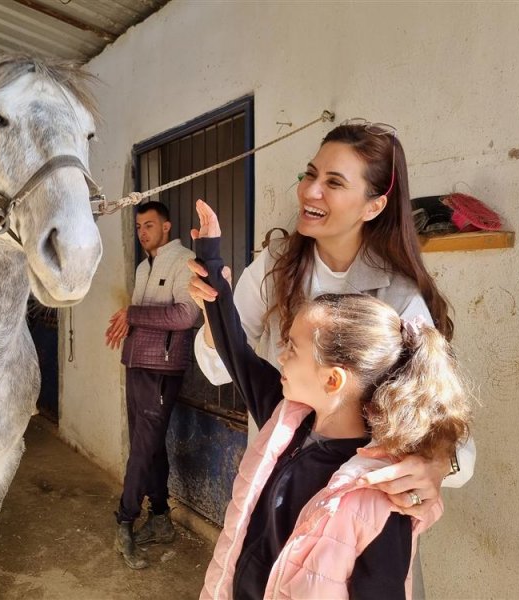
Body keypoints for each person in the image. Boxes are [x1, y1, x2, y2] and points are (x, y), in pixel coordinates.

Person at [188, 122, 475, 518]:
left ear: (373, 205)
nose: (310, 190)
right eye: (310, 174)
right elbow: (219, 369)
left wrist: (436, 465)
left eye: (334, 182)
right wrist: (211, 314)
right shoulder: (274, 268)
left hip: (356, 508)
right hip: (277, 485)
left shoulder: (400, 298)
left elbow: (446, 428)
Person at [192, 203, 472, 598]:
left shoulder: (379, 495)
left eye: (291, 348)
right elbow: (236, 350)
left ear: (332, 379)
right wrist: (212, 264)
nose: (281, 356)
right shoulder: (285, 419)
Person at [105, 200, 200, 569]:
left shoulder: (184, 259)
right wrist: (129, 322)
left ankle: (125, 521)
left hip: (161, 370)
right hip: (137, 364)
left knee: (142, 450)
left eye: (148, 225)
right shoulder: (146, 266)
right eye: (138, 227)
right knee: (150, 445)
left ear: (166, 226)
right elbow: (144, 318)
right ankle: (160, 517)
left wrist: (133, 314)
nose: (142, 232)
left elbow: (185, 315)